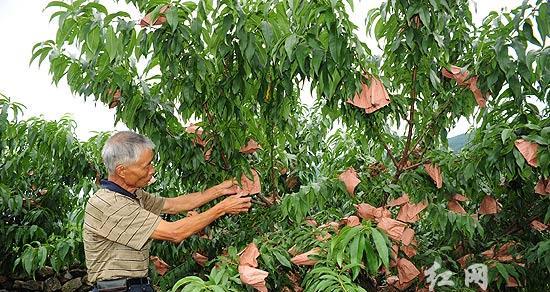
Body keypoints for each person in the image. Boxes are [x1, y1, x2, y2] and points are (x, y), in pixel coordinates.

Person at [84, 131, 252, 292]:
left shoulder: (134, 195)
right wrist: (222, 208)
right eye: (146, 165)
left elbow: (173, 204)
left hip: (136, 286)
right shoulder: (109, 203)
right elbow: (174, 232)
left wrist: (221, 189)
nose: (152, 170)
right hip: (117, 289)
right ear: (122, 171)